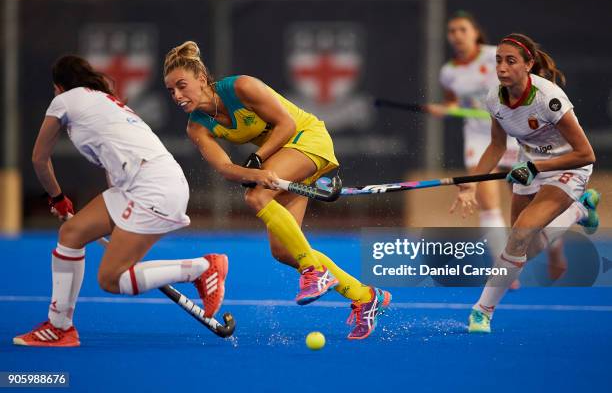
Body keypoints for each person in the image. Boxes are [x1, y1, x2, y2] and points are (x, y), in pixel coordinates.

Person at [163, 41, 391, 340]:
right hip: (281, 160)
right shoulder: (197, 126)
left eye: (182, 86)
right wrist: (253, 171)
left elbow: (287, 123)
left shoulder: (242, 87)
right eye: (171, 91)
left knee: (256, 196)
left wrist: (259, 161)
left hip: (308, 139)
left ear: (202, 79)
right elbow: (224, 168)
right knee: (284, 250)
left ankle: (314, 270)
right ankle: (364, 296)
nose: (178, 96)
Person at [14, 55, 228, 347]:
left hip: (152, 187)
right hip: (147, 182)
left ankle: (202, 268)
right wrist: (121, 224)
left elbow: (39, 159)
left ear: (59, 86)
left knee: (112, 279)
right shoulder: (104, 103)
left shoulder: (65, 100)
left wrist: (57, 198)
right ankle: (59, 328)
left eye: (55, 89)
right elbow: (112, 173)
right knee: (72, 233)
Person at [450, 33, 600, 333]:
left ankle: (482, 311)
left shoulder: (549, 99)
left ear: (528, 64)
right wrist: (470, 184)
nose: (502, 68)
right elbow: (495, 146)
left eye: (511, 61)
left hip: (568, 167)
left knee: (520, 234)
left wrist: (536, 167)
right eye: (498, 61)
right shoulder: (495, 98)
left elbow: (586, 153)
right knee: (523, 248)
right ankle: (578, 212)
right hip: (529, 167)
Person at [427, 11, 565, 285]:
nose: (456, 36)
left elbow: (526, 83)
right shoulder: (449, 72)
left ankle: (555, 251)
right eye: (451, 31)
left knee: (532, 207)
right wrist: (446, 109)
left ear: (475, 33)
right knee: (488, 204)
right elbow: (455, 101)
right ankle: (505, 269)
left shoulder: (497, 56)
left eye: (462, 30)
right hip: (481, 140)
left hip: (517, 133)